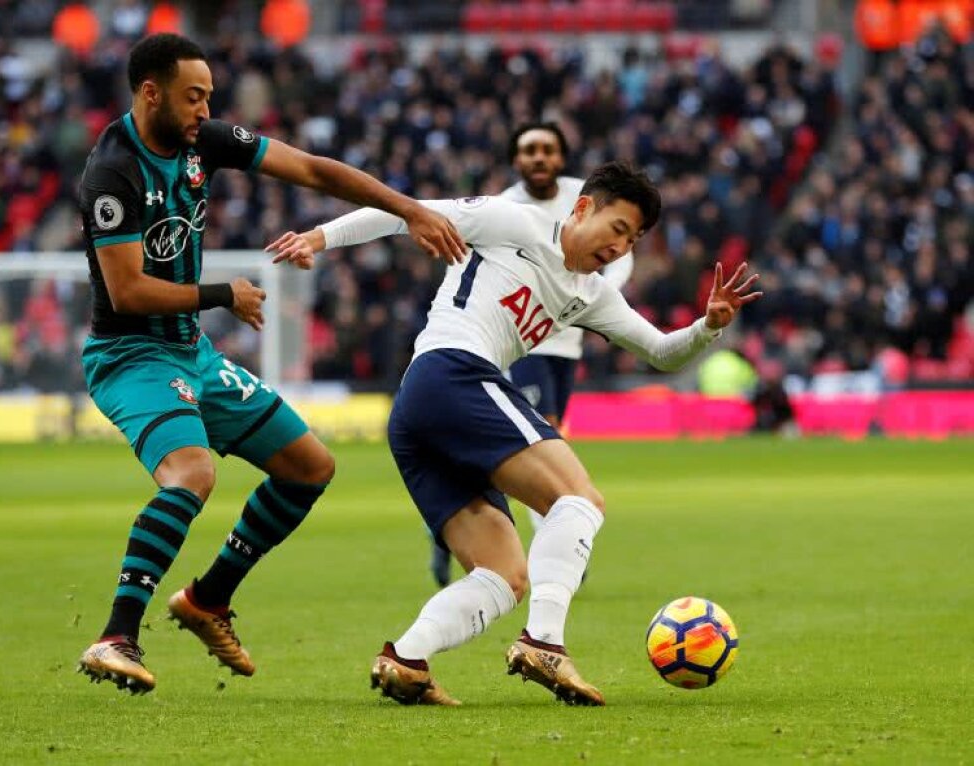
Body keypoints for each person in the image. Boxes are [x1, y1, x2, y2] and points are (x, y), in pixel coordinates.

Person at [267, 161, 761, 706]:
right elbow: (403, 213)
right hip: (451, 373)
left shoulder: (592, 294)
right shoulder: (512, 222)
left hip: (421, 410)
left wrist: (709, 326)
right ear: (582, 208)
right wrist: (319, 236)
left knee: (504, 575)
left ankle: (405, 658)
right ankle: (544, 643)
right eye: (618, 228)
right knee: (579, 499)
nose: (621, 247)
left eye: (634, 239)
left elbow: (662, 353)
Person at [75, 33, 466, 694]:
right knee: (192, 475)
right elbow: (128, 290)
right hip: (130, 355)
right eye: (192, 96)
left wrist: (409, 211)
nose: (205, 109)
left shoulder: (204, 141)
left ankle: (208, 598)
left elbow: (314, 169)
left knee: (309, 466)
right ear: (151, 93)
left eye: (209, 97)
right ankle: (116, 634)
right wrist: (223, 293)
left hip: (189, 350)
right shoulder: (112, 170)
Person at [429, 122, 635, 588]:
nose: (539, 158)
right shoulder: (506, 207)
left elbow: (622, 259)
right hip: (525, 342)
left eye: (548, 150)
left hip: (567, 342)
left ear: (562, 158)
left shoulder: (587, 198)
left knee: (548, 434)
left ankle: (445, 520)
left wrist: (595, 299)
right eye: (529, 151)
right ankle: (557, 558)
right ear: (516, 159)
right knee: (539, 442)